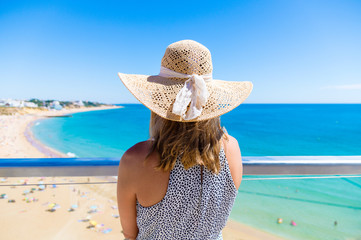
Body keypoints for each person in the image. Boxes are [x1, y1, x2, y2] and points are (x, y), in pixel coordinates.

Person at [117, 40, 253, 240]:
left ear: (158, 100)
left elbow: (130, 234)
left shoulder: (136, 159)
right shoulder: (231, 147)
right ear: (211, 100)